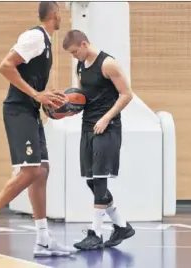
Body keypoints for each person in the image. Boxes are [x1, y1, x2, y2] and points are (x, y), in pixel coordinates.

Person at [0, 2, 75, 258]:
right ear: (55, 14)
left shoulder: (46, 43)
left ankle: (43, 240)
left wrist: (49, 96)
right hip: (17, 110)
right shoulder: (35, 38)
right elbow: (5, 66)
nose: (62, 16)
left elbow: (31, 77)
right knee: (31, 171)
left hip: (30, 112)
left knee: (42, 171)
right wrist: (37, 94)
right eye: (61, 12)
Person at [61, 30, 136, 250]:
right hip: (87, 126)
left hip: (107, 127)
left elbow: (127, 94)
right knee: (91, 180)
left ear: (84, 44)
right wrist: (66, 108)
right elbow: (82, 98)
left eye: (75, 51)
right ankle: (121, 226)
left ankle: (95, 233)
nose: (75, 56)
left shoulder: (108, 64)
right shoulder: (80, 66)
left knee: (100, 179)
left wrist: (106, 118)